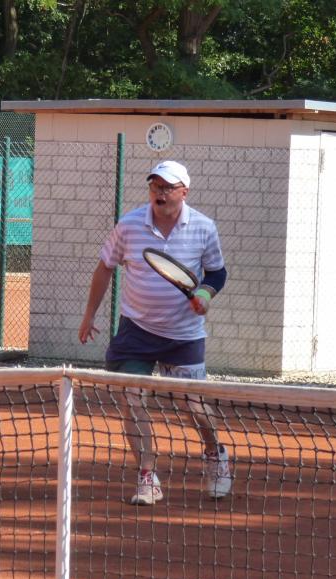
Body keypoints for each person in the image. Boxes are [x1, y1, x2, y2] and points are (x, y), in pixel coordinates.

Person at [78, 159, 231, 505]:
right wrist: (89, 315)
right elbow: (105, 267)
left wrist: (206, 294)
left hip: (184, 334)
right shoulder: (130, 225)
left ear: (183, 192)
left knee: (194, 406)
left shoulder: (204, 228)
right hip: (137, 331)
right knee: (132, 400)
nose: (159, 193)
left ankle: (215, 454)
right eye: (154, 186)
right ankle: (147, 477)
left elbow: (217, 273)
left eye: (167, 187)